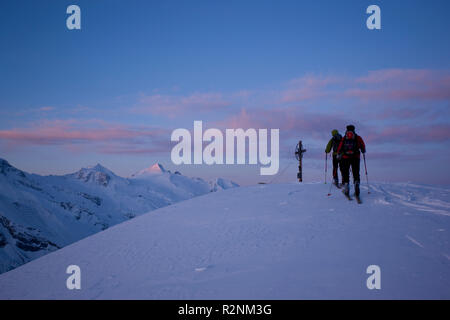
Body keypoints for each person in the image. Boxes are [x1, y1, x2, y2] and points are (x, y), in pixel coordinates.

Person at [336, 125, 366, 197]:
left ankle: (346, 185)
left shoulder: (344, 138)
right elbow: (363, 146)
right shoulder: (357, 137)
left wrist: (338, 154)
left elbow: (340, 147)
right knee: (355, 171)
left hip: (345, 157)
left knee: (345, 172)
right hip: (355, 157)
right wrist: (363, 150)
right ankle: (356, 183)